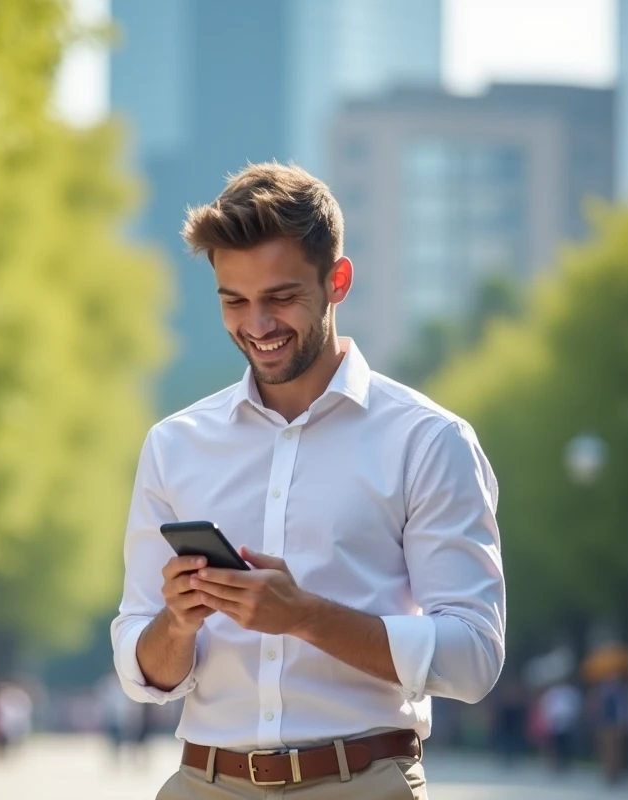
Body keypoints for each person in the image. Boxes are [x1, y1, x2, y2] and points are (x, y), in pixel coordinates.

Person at [110, 163, 506, 799]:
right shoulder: (173, 445)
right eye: (234, 300)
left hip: (364, 783)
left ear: (338, 281)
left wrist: (305, 616)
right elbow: (141, 662)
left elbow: (474, 656)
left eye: (281, 297)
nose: (257, 325)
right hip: (204, 782)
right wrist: (178, 625)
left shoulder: (429, 441)